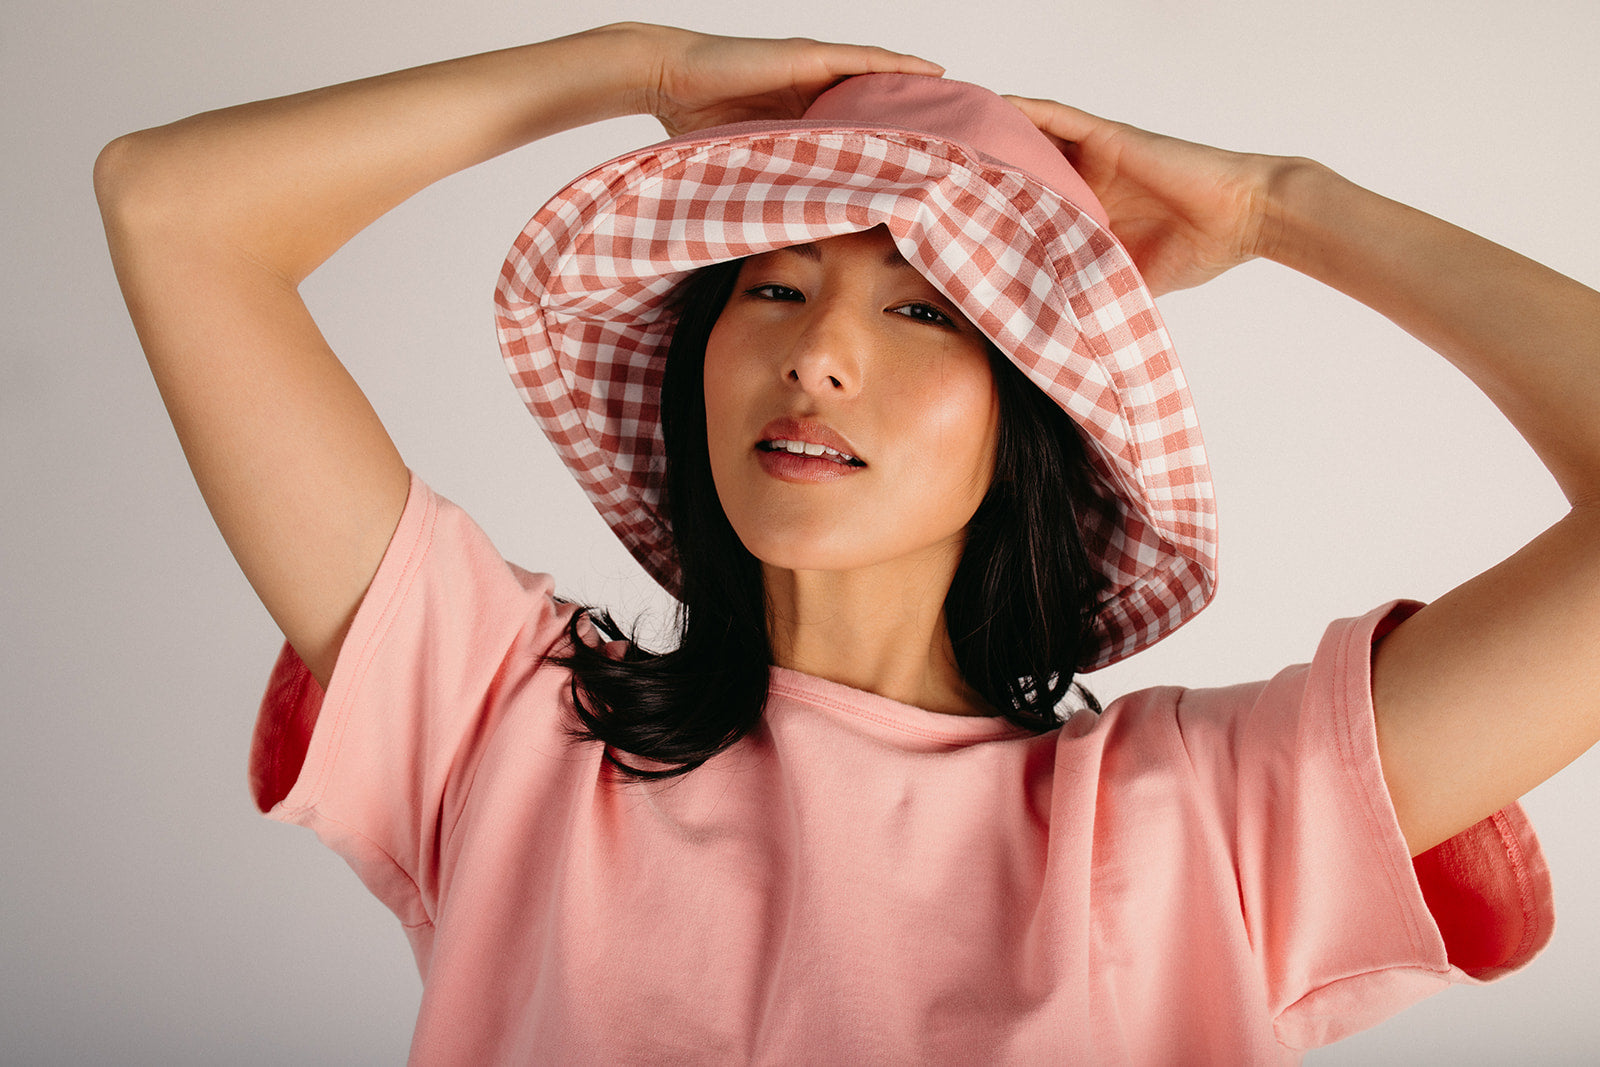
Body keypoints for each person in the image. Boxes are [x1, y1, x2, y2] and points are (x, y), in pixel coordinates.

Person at [93, 21, 1597, 1063]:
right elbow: (169, 206)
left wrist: (1280, 205)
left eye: (922, 309)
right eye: (772, 286)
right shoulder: (503, 716)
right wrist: (630, 68)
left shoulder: (1200, 818)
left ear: (1026, 424)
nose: (816, 354)